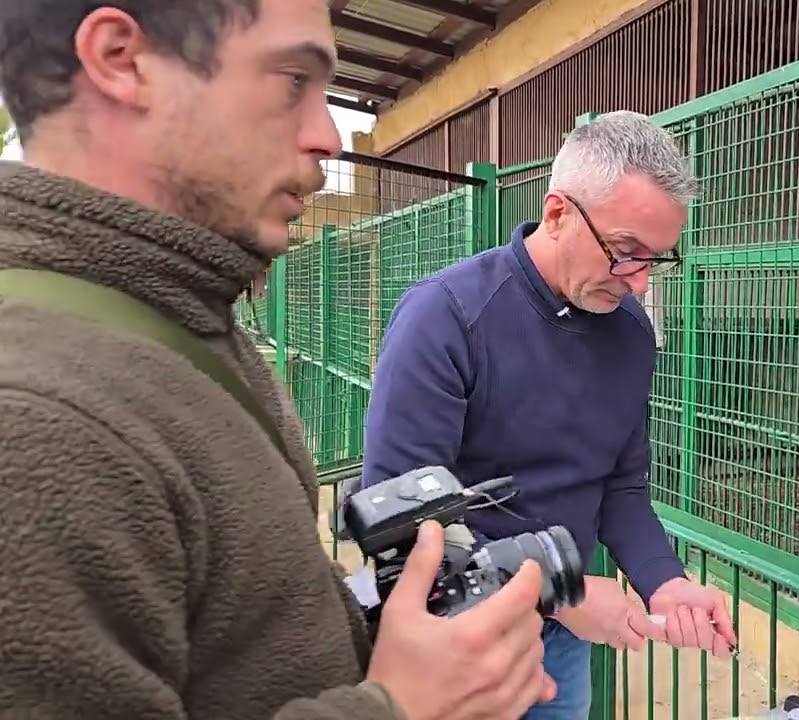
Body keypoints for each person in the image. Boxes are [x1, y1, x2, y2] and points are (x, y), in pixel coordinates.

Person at [0, 2, 554, 719]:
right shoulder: (39, 418)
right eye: (294, 79)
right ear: (120, 59)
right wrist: (403, 708)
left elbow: (245, 639)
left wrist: (382, 642)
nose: (328, 137)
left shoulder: (178, 319)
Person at [361, 110, 739, 719]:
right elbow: (402, 517)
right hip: (455, 633)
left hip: (563, 641)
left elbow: (620, 483)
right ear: (559, 212)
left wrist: (663, 578)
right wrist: (560, 591)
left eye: (657, 261)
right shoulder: (448, 317)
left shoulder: (630, 331)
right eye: (625, 253)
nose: (640, 283)